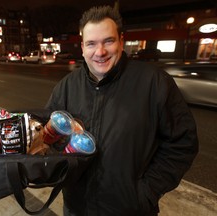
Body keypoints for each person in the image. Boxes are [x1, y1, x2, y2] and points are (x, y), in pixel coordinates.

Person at [45, 5, 199, 216]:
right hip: (76, 209)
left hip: (131, 210)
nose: (100, 52)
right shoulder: (66, 87)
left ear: (121, 41)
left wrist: (145, 192)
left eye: (108, 41)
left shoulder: (154, 83)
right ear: (82, 47)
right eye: (91, 44)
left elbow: (182, 143)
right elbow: (48, 138)